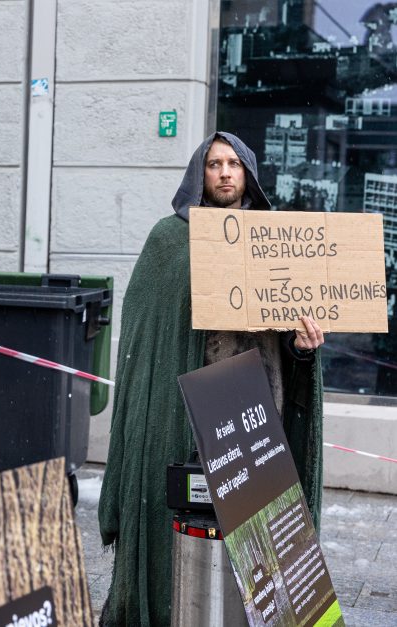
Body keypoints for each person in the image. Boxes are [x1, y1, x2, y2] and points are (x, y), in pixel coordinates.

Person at [97, 132, 325, 626]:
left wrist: (302, 347)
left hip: (258, 411)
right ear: (198, 173)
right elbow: (148, 331)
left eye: (234, 164)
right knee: (177, 529)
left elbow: (291, 331)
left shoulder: (277, 241)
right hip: (183, 414)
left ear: (248, 173)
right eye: (214, 164)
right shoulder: (167, 240)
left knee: (257, 542)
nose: (224, 173)